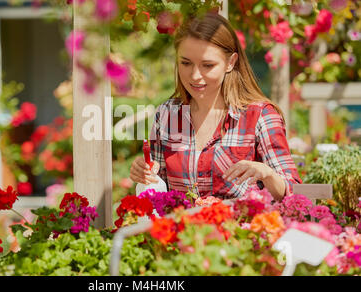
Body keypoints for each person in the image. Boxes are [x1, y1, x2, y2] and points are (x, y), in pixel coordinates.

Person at [129, 12, 302, 201]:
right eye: (186, 63)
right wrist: (144, 173)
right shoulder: (166, 114)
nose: (195, 75)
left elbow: (291, 190)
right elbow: (157, 188)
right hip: (181, 229)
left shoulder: (260, 115)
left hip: (239, 229)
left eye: (207, 65)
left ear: (230, 63)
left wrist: (266, 173)